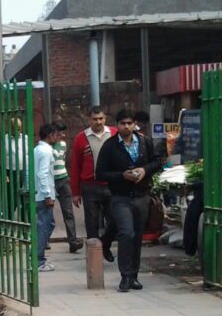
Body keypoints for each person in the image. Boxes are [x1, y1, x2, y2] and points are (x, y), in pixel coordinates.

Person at [95, 109, 165, 293]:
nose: (126, 127)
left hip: (142, 196)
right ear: (117, 125)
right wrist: (122, 175)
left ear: (134, 124)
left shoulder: (145, 142)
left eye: (129, 123)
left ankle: (134, 275)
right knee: (126, 233)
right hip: (120, 197)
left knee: (137, 237)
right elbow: (100, 173)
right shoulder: (110, 146)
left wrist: (144, 170)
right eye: (122, 123)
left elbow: (158, 162)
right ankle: (125, 276)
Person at [69, 106, 117, 260]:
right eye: (95, 119)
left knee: (115, 220)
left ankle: (105, 245)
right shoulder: (81, 138)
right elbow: (75, 166)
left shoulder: (114, 134)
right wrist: (75, 192)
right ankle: (93, 257)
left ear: (105, 119)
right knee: (92, 224)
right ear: (89, 120)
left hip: (112, 185)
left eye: (101, 118)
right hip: (90, 186)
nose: (98, 122)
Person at [51, 122, 82, 252]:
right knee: (47, 214)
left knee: (68, 212)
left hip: (63, 180)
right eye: (59, 133)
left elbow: (61, 160)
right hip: (51, 181)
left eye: (63, 133)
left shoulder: (63, 145)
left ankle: (73, 241)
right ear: (53, 134)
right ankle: (45, 240)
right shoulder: (45, 147)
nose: (62, 136)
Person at [33, 124, 58, 272]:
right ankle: (38, 260)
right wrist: (48, 194)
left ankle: (36, 253)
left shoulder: (37, 149)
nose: (57, 137)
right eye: (55, 134)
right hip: (43, 195)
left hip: (38, 193)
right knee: (45, 226)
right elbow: (42, 174)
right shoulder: (46, 151)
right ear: (50, 135)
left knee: (46, 225)